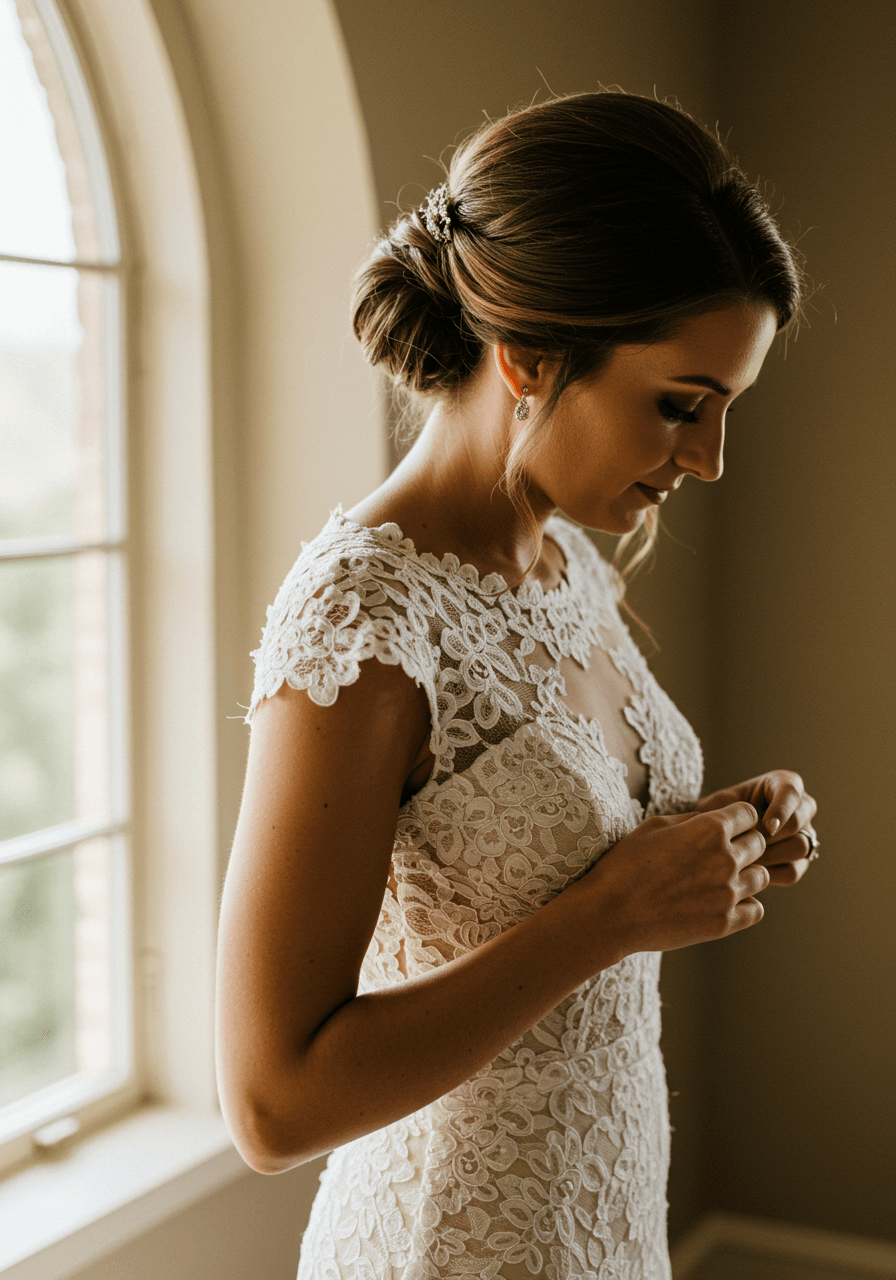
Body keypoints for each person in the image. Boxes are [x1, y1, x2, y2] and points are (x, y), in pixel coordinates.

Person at [216, 92, 819, 1279]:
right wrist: (613, 912)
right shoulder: (363, 618)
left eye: (723, 411)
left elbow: (560, 839)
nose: (704, 460)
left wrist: (713, 837)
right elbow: (270, 1102)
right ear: (528, 355)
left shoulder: (565, 559)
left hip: (599, 1218)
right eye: (678, 407)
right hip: (447, 1244)